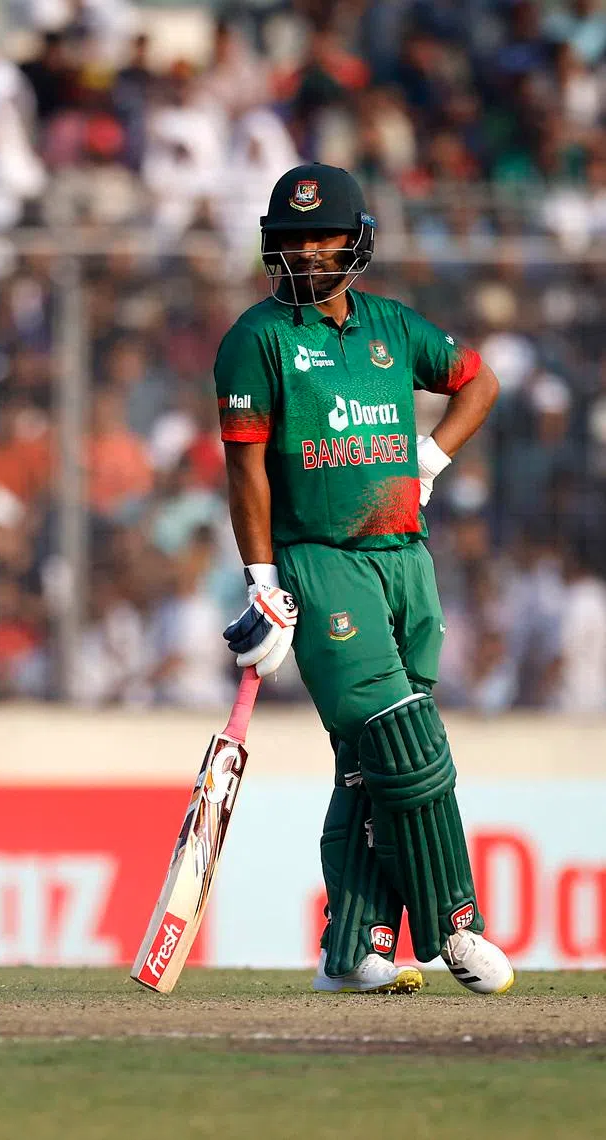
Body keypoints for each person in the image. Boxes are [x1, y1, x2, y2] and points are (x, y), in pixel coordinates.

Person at [214, 163, 514, 996]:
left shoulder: (392, 326)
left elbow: (478, 382)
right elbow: (247, 472)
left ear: (356, 241)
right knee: (408, 747)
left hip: (406, 562)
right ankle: (456, 929)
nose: (306, 252)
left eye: (322, 236)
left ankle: (355, 949)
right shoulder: (256, 338)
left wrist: (429, 459)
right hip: (323, 559)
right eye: (291, 238)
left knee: (368, 766)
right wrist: (265, 579)